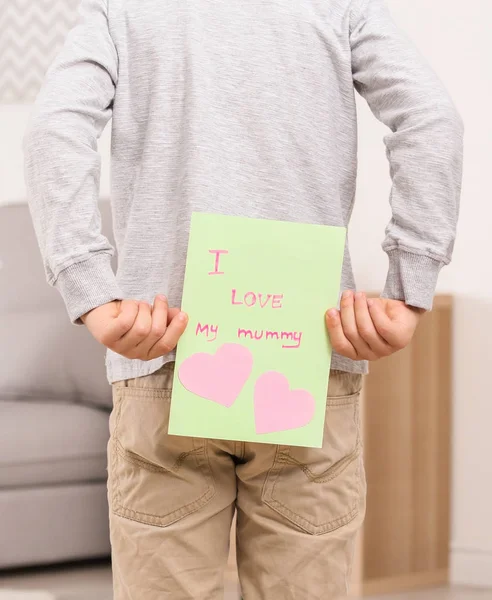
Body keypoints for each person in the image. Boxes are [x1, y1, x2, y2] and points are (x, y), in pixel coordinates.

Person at [23, 0, 463, 597]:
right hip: (305, 354)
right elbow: (431, 118)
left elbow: (55, 127)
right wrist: (409, 288)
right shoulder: (341, 9)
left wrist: (92, 292)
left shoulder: (122, 11)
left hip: (164, 352)